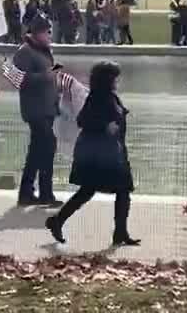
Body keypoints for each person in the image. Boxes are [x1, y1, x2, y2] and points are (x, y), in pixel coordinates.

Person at [45, 60, 138, 247]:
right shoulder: (98, 97)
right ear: (107, 80)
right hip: (99, 154)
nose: (117, 82)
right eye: (114, 78)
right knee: (95, 191)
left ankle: (120, 232)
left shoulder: (110, 96)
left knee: (114, 191)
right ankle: (58, 221)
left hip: (110, 152)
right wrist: (105, 126)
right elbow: (83, 121)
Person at [14, 16, 62, 207]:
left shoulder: (43, 51)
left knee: (36, 151)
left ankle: (26, 192)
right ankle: (45, 193)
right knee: (48, 147)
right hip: (35, 110)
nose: (50, 35)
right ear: (38, 33)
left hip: (47, 108)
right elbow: (19, 80)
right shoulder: (25, 52)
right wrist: (46, 75)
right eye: (47, 31)